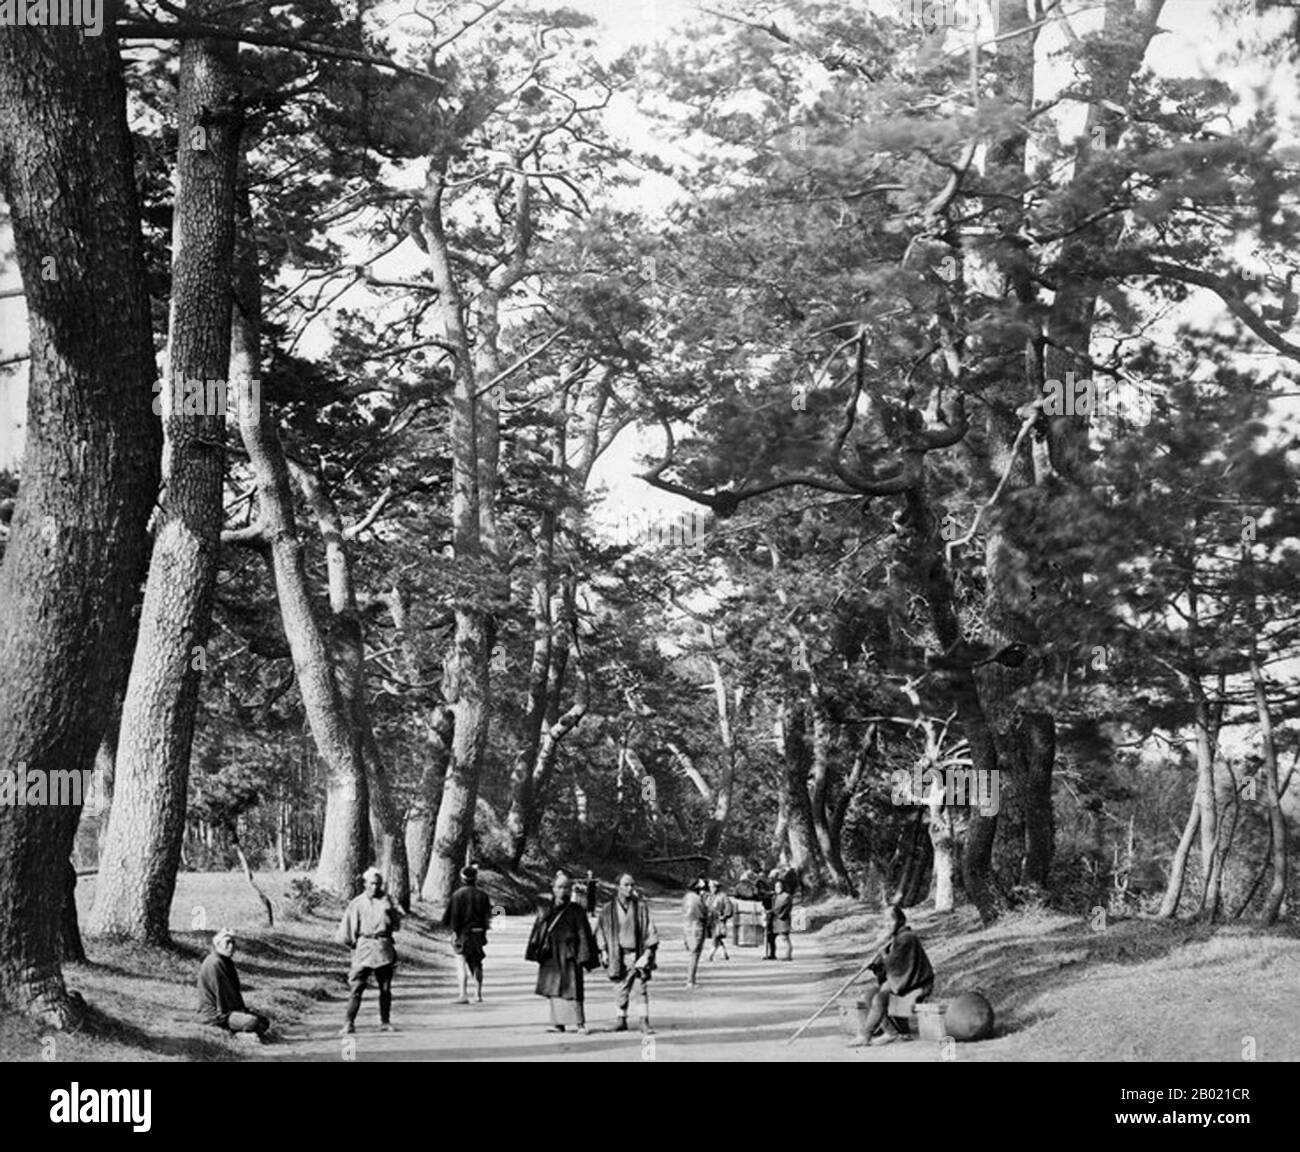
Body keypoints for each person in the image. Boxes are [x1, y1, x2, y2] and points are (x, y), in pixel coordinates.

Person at [849, 904, 935, 1048]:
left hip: (916, 983)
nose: (888, 925)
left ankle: (865, 1035)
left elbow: (895, 964)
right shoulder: (895, 938)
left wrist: (882, 955)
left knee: (880, 998)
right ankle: (891, 1032)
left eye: (891, 921)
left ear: (900, 920)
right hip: (904, 981)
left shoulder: (907, 938)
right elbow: (887, 967)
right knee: (870, 995)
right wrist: (874, 965)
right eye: (885, 922)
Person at [525, 870, 600, 1034]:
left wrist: (585, 957)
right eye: (559, 887)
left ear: (570, 889)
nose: (563, 891)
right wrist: (535, 950)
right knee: (554, 989)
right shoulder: (546, 909)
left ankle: (580, 1023)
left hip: (570, 954)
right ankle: (558, 1023)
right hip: (551, 954)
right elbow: (537, 931)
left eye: (566, 887)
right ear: (553, 888)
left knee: (574, 989)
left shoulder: (577, 910)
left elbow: (583, 934)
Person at [336, 865, 402, 1036]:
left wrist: (391, 910)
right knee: (357, 987)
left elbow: (396, 925)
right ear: (365, 883)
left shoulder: (387, 901)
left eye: (378, 884)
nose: (375, 887)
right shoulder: (356, 903)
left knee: (385, 988)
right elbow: (348, 931)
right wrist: (354, 948)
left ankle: (385, 1022)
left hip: (383, 946)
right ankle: (349, 1022)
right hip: (364, 946)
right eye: (371, 883)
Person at [595, 872, 660, 1033]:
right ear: (618, 887)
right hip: (617, 954)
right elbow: (600, 931)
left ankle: (644, 1021)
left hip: (637, 954)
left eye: (632, 885)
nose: (630, 888)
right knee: (620, 987)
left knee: (640, 987)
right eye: (626, 885)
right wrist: (603, 951)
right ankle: (621, 1019)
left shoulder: (641, 908)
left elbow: (650, 931)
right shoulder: (608, 910)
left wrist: (647, 955)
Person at [197, 928, 270, 1040]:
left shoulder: (226, 961)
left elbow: (234, 991)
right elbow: (222, 997)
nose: (231, 946)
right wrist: (239, 1013)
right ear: (217, 944)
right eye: (227, 942)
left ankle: (240, 1029)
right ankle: (235, 1031)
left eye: (233, 942)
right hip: (216, 1014)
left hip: (228, 1011)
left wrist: (243, 1010)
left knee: (264, 1021)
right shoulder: (215, 963)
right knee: (252, 1021)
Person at [444, 863, 492, 1004]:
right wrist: (484, 932)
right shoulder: (483, 896)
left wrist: (454, 932)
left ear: (462, 878)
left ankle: (463, 994)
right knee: (477, 963)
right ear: (475, 878)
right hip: (478, 933)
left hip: (463, 934)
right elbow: (488, 917)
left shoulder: (457, 895)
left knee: (461, 962)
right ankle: (477, 994)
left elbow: (453, 918)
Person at [682, 877, 709, 988]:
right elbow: (704, 914)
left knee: (692, 953)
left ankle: (691, 979)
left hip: (687, 925)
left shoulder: (686, 898)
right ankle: (690, 980)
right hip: (696, 926)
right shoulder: (697, 899)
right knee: (695, 955)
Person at [706, 879, 734, 962]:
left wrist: (725, 916)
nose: (711, 888)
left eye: (713, 887)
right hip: (711, 919)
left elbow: (728, 907)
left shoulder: (723, 896)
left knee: (716, 936)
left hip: (719, 919)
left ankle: (710, 954)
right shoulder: (710, 896)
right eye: (710, 887)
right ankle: (724, 953)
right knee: (717, 937)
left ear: (717, 887)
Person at [770, 876, 794, 961]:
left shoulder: (786, 896)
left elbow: (785, 908)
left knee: (785, 938)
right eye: (776, 887)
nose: (778, 888)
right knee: (771, 938)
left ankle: (788, 955)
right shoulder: (774, 896)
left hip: (783, 919)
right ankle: (772, 954)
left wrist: (778, 913)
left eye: (779, 886)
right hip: (775, 921)